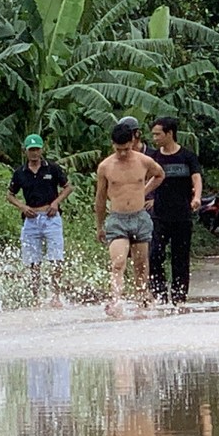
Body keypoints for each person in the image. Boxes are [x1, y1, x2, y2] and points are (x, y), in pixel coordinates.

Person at [93, 118, 165, 317]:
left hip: (139, 218)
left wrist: (144, 191)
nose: (123, 153)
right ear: (113, 146)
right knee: (118, 263)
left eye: (126, 149)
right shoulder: (105, 166)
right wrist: (99, 225)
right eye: (119, 150)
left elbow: (160, 174)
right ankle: (116, 301)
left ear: (132, 143)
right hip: (117, 219)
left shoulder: (144, 161)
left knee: (141, 267)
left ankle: (142, 301)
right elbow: (100, 198)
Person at [145, 116, 203, 303]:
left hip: (182, 215)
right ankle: (159, 293)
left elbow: (196, 178)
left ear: (170, 133)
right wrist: (146, 197)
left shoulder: (187, 156)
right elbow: (146, 180)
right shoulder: (153, 158)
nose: (154, 138)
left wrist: (196, 197)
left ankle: (179, 296)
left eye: (158, 134)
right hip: (159, 215)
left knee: (180, 258)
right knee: (155, 255)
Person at [6, 133, 69, 304]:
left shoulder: (53, 168)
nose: (34, 153)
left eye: (37, 149)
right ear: (25, 151)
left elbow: (68, 187)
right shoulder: (20, 173)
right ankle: (36, 296)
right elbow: (10, 195)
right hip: (31, 218)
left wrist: (56, 203)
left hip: (51, 217)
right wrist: (22, 207)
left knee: (56, 257)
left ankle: (56, 295)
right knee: (33, 260)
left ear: (42, 150)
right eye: (31, 150)